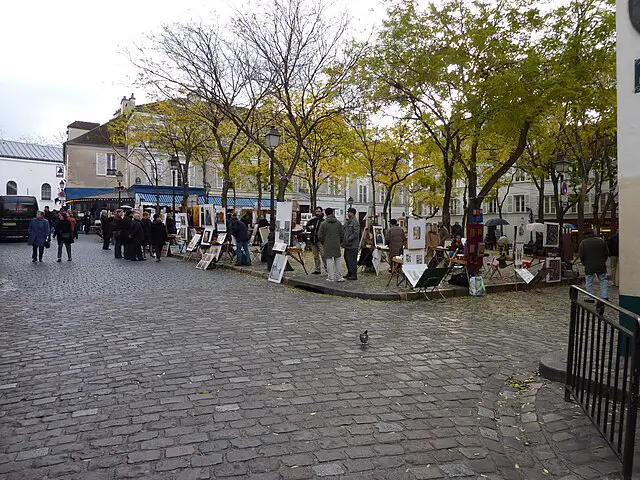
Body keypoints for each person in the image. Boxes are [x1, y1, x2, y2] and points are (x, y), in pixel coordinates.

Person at [579, 228, 609, 302]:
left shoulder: (583, 243)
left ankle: (590, 297)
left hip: (589, 265)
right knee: (603, 280)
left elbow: (581, 255)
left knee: (589, 281)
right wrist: (603, 260)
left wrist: (584, 263)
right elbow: (607, 253)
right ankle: (604, 296)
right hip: (601, 264)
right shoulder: (601, 241)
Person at [317, 207, 345, 282]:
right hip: (336, 243)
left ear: (325, 214)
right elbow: (342, 234)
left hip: (327, 244)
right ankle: (339, 277)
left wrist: (324, 242)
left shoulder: (323, 224)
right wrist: (339, 241)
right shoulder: (338, 223)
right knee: (338, 260)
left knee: (329, 260)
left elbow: (320, 235)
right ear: (332, 213)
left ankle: (331, 277)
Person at [305, 207, 327, 275]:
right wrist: (309, 227)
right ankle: (317, 269)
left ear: (321, 212)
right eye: (316, 211)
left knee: (323, 255)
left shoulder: (323, 221)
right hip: (313, 240)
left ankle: (327, 269)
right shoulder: (312, 220)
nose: (317, 213)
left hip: (320, 241)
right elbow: (307, 227)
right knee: (315, 256)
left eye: (319, 211)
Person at [343, 207, 360, 280]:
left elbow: (356, 233)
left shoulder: (355, 221)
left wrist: (348, 239)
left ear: (352, 213)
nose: (347, 213)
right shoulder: (349, 221)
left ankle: (353, 274)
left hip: (353, 245)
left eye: (348, 212)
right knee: (347, 258)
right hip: (347, 245)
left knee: (352, 260)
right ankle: (349, 272)